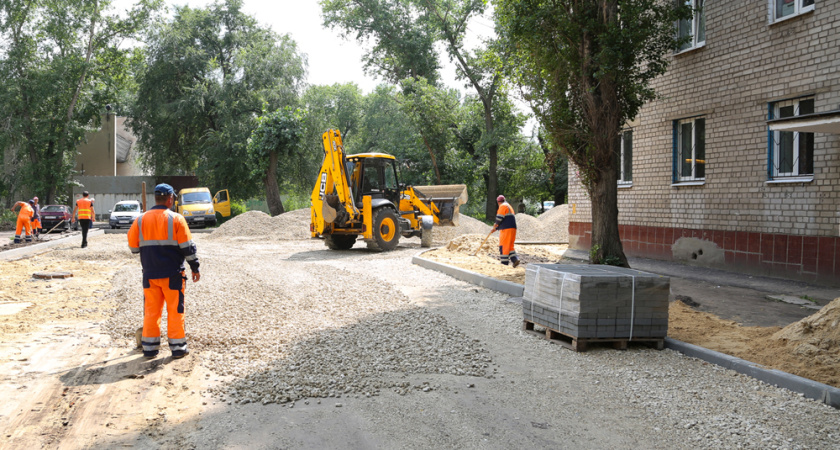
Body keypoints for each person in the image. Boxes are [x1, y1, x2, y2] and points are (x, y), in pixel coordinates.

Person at [128, 183, 200, 359]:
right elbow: (187, 247)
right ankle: (178, 348)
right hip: (173, 275)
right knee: (175, 311)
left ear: (156, 198)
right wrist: (195, 267)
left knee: (151, 311)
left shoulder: (140, 220)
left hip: (150, 275)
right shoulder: (177, 219)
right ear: (170, 199)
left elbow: (133, 248)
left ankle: (150, 348)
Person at [492, 195, 520, 268]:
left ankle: (504, 263)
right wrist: (496, 228)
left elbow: (499, 218)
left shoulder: (502, 206)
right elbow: (506, 219)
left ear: (498, 202)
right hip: (513, 228)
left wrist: (495, 226)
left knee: (503, 245)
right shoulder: (509, 206)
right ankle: (515, 259)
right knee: (510, 245)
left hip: (506, 229)